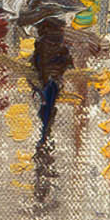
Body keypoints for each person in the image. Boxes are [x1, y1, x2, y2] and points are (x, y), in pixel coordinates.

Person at [31, 15, 72, 149]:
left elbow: (37, 62)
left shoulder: (41, 44)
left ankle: (45, 134)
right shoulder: (60, 46)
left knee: (46, 107)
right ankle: (45, 134)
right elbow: (67, 62)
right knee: (48, 106)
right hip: (52, 81)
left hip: (46, 80)